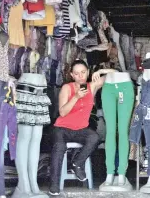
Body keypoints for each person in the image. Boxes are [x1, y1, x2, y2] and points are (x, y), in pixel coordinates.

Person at [49, 59, 116, 195]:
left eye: (83, 72)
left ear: (88, 72)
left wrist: (102, 71)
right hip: (62, 129)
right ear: (72, 75)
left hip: (80, 129)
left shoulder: (92, 86)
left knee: (94, 137)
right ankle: (54, 186)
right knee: (59, 147)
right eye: (77, 74)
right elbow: (62, 112)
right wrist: (76, 97)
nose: (81, 76)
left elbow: (116, 75)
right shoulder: (67, 88)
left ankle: (77, 163)